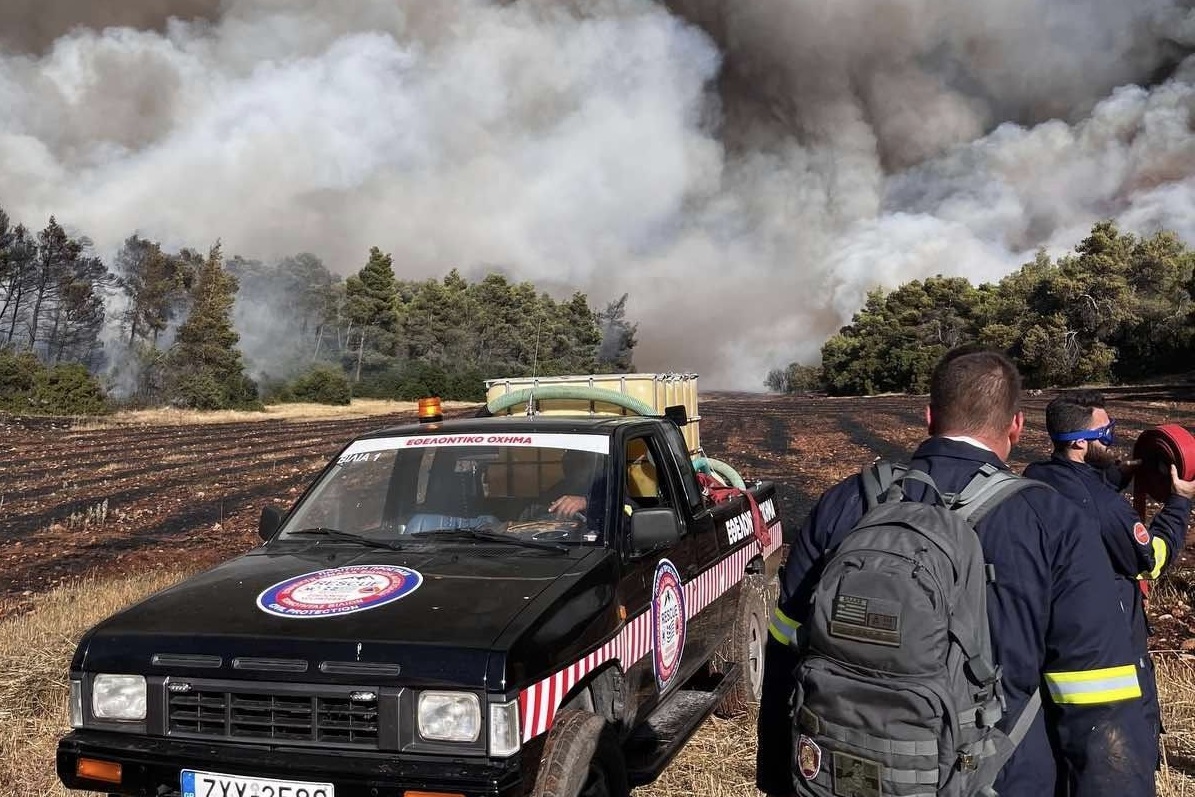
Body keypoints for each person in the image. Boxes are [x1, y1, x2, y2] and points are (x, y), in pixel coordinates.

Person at [756, 347, 1153, 797]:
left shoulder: (844, 502)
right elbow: (1099, 701)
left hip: (839, 775)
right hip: (998, 780)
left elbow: (786, 647)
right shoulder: (1052, 522)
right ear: (1016, 426)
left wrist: (777, 777)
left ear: (929, 417)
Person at [1023, 390, 1195, 774]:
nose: (1113, 439)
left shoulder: (1036, 479)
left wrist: (1124, 473)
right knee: (1119, 766)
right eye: (1108, 431)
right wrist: (1179, 502)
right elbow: (1151, 561)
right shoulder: (1106, 508)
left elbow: (1083, 493)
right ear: (1082, 442)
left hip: (1053, 653)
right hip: (1105, 664)